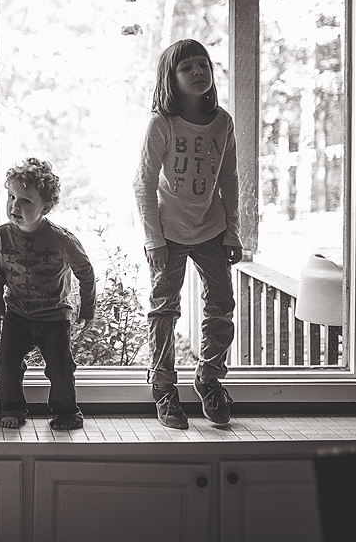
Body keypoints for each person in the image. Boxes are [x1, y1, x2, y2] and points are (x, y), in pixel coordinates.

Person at [133, 39, 243, 430]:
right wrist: (153, 239)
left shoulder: (223, 122)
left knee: (222, 305)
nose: (198, 72)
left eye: (203, 65)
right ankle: (163, 389)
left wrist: (233, 231)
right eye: (187, 68)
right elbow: (143, 183)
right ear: (171, 78)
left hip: (212, 229)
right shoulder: (162, 122)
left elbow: (229, 179)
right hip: (169, 233)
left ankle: (209, 378)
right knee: (164, 309)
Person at [0, 158, 96, 430]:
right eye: (11, 197)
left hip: (54, 317)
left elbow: (86, 272)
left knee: (60, 368)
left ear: (45, 207)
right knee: (6, 364)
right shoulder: (1, 237)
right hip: (17, 316)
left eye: (26, 201)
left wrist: (87, 309)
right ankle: (11, 408)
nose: (15, 205)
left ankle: (67, 412)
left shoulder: (61, 240)